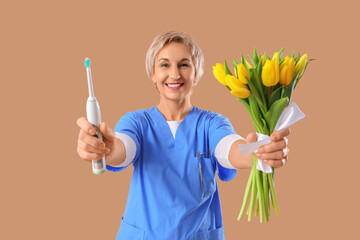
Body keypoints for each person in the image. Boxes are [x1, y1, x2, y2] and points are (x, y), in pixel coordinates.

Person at [76, 30, 290, 240]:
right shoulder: (137, 122)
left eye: (184, 64)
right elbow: (124, 148)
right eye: (164, 65)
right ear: (152, 73)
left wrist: (255, 152)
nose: (175, 74)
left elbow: (229, 148)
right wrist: (106, 148)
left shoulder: (212, 123)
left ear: (196, 73)